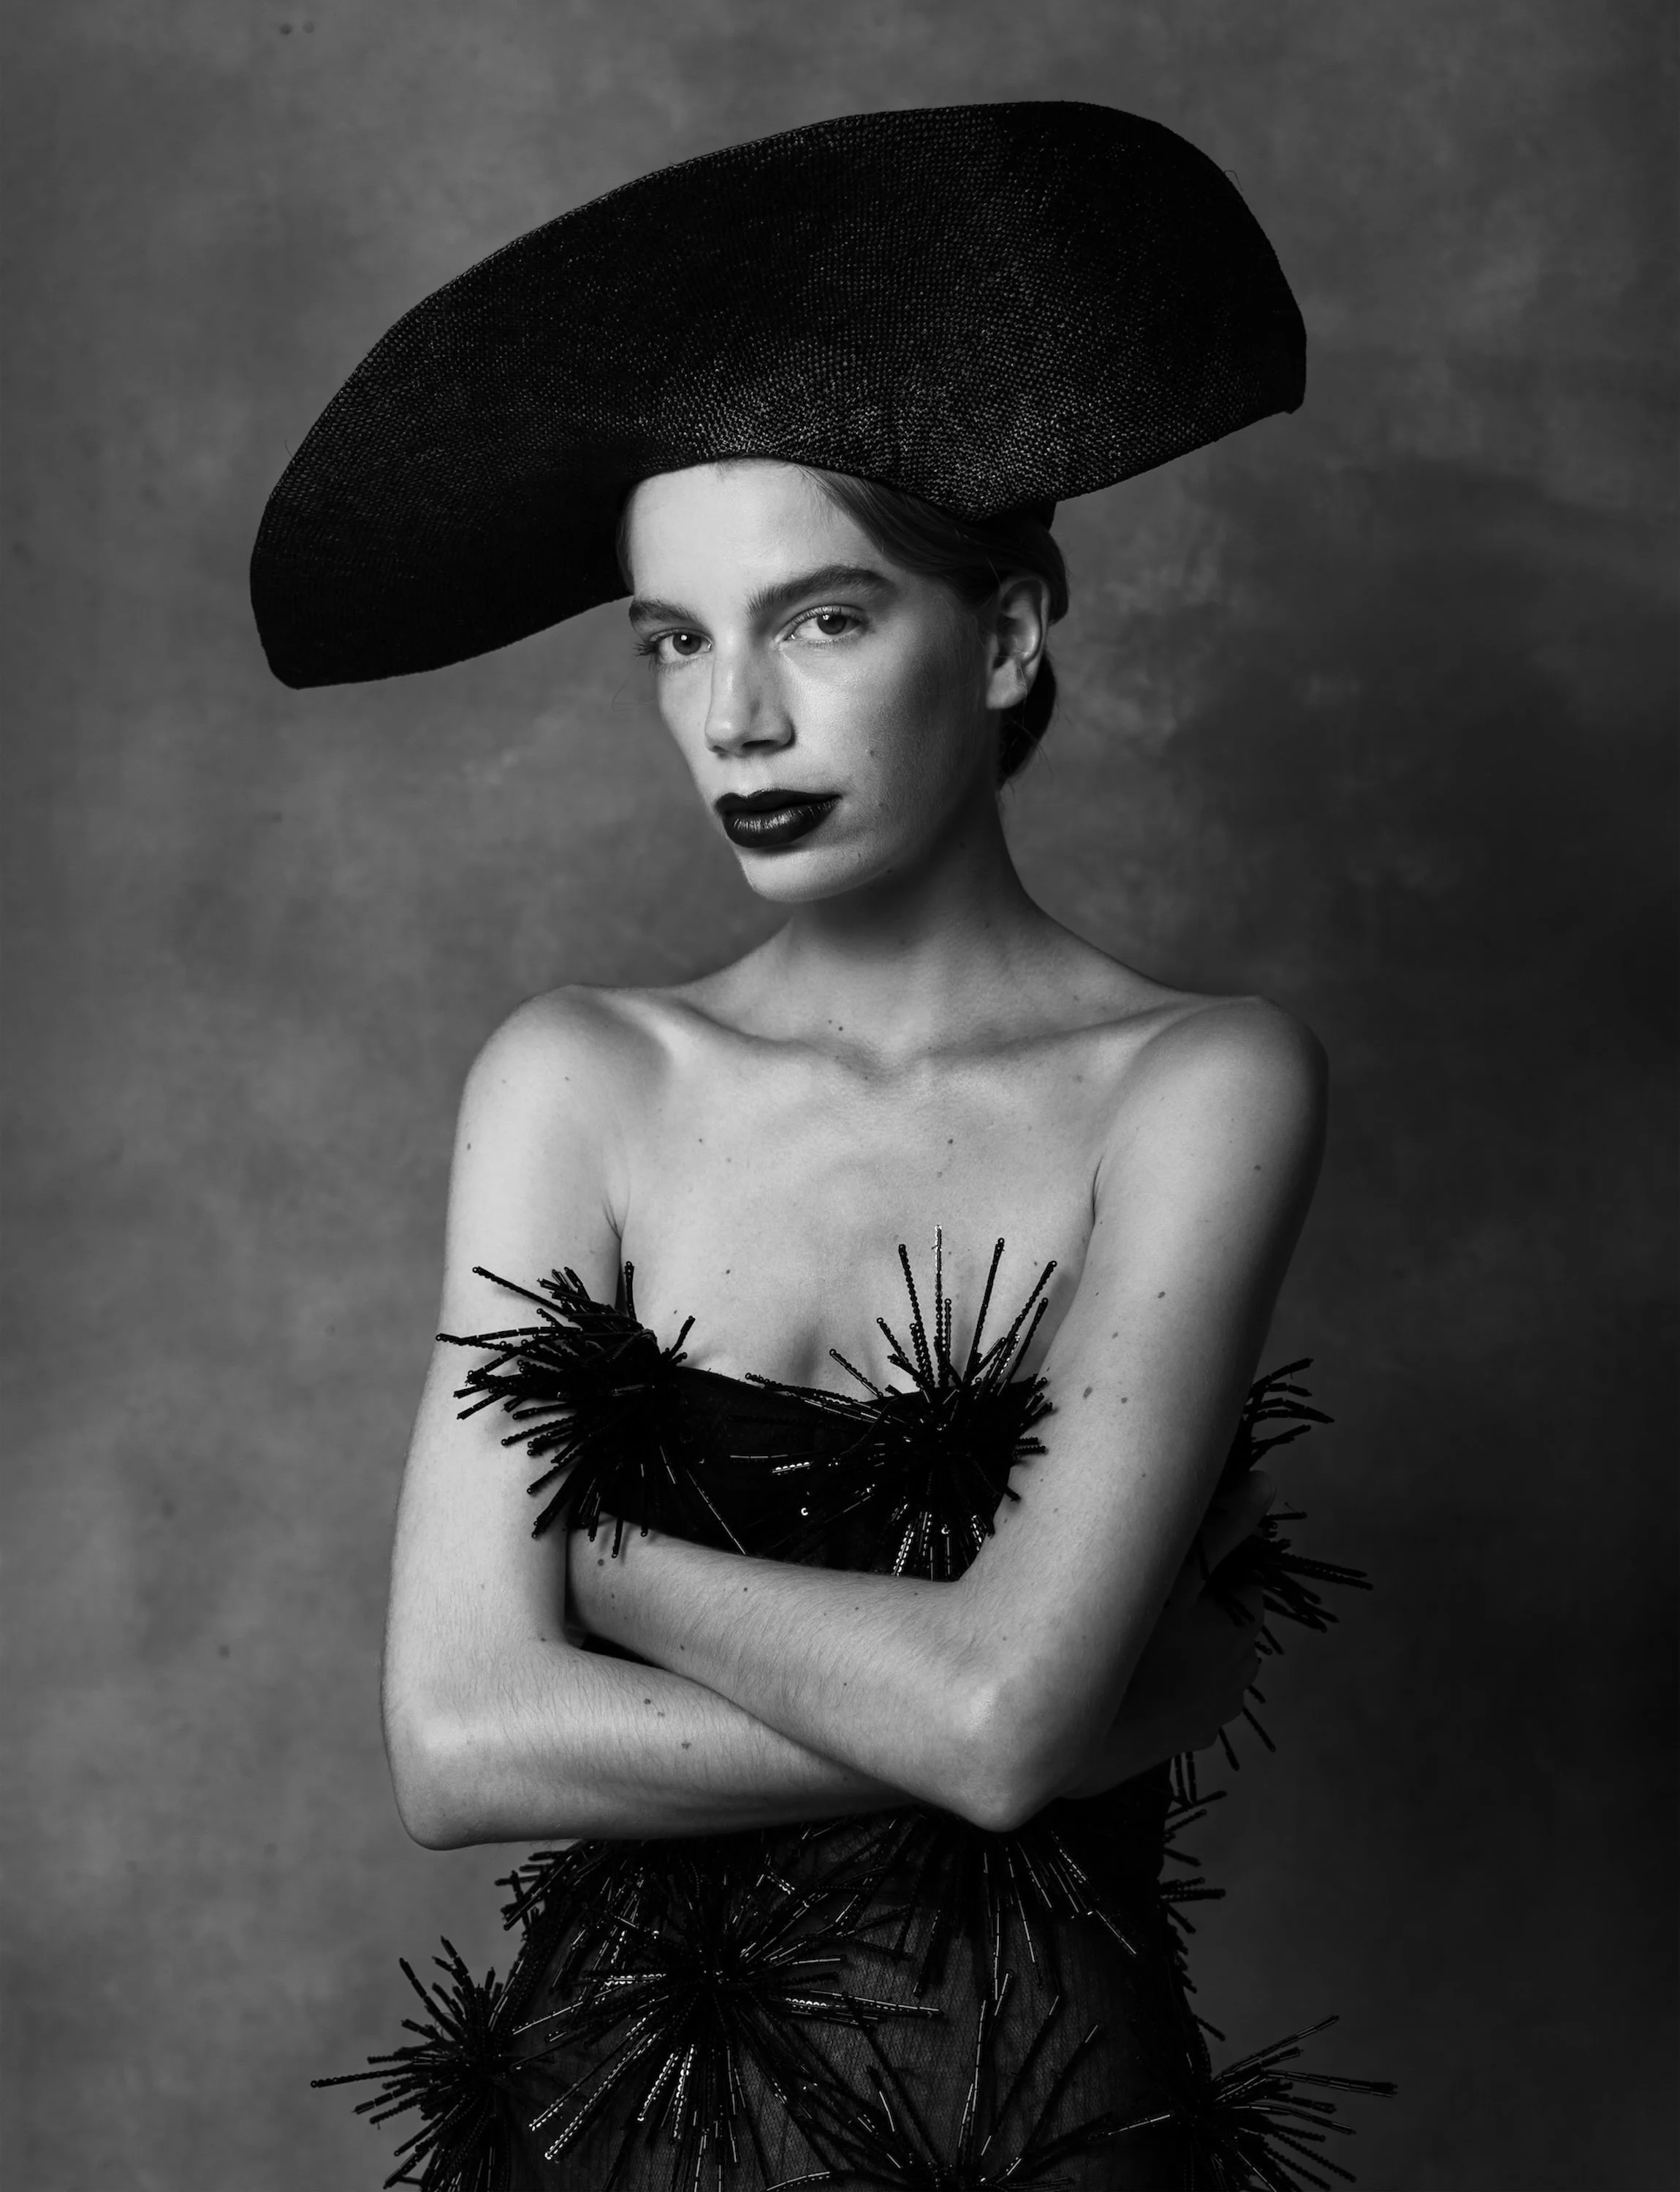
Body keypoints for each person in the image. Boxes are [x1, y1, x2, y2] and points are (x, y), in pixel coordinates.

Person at [255, 102, 1388, 2188]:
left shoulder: (1202, 1085)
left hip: (1040, 2111)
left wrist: (596, 1573)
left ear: (1015, 633)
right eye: (677, 641)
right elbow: (461, 1742)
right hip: (614, 2130)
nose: (734, 722)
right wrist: (1072, 1698)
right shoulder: (576, 1079)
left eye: (823, 619)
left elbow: (993, 1727)